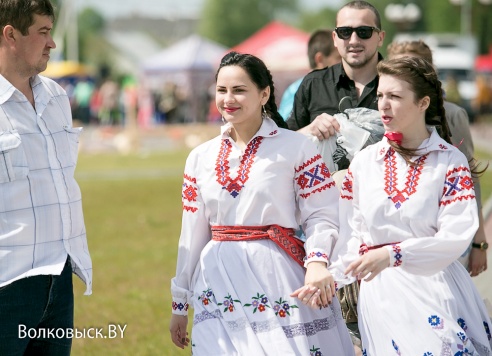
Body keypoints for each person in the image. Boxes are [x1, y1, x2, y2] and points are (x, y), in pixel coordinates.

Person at [169, 51, 355, 355]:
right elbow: (191, 234)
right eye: (221, 90)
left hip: (275, 274)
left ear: (264, 93)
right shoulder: (199, 157)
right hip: (216, 278)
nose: (229, 99)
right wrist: (180, 302)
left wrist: (318, 262)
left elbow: (322, 214)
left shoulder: (296, 146)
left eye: (240, 90)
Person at [331, 56, 492, 354]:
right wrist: (329, 278)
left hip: (434, 288)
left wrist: (393, 254)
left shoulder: (448, 160)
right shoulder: (365, 163)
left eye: (394, 96)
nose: (383, 104)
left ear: (423, 103)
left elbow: (456, 235)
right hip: (381, 297)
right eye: (380, 95)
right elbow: (351, 233)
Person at [0, 0, 93, 355]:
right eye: (43, 32)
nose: (52, 43)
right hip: (7, 286)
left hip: (59, 281)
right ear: (10, 34)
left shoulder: (56, 97)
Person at [386, 39, 488, 277]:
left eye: (416, 67)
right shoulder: (384, 114)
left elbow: (470, 176)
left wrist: (479, 241)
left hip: (442, 233)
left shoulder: (452, 114)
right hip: (396, 236)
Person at [287, 0, 385, 172]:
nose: (354, 40)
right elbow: (283, 144)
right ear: (335, 38)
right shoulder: (313, 84)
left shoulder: (403, 84)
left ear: (380, 38)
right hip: (324, 195)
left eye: (364, 32)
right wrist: (309, 130)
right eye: (345, 32)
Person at [278, 29, 341, 121]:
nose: (344, 62)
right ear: (320, 59)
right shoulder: (298, 89)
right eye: (339, 57)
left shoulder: (339, 86)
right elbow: (285, 130)